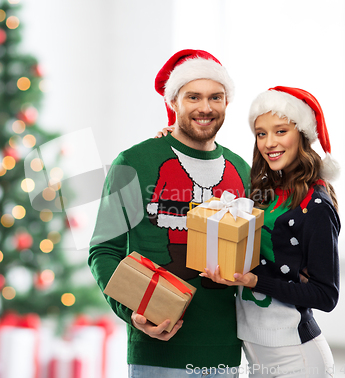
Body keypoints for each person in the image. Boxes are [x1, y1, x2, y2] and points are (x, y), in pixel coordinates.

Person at [88, 49, 251, 377]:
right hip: (156, 352)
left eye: (215, 97)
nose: (205, 108)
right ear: (173, 102)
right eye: (193, 96)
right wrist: (132, 309)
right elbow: (104, 250)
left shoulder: (242, 170)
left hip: (225, 351)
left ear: (226, 103)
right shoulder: (133, 163)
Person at [198, 86, 341, 377]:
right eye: (261, 133)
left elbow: (327, 295)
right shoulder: (263, 193)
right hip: (256, 353)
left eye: (280, 131)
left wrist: (254, 281)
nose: (269, 142)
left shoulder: (316, 205)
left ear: (301, 135)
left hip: (296, 357)